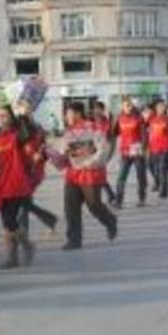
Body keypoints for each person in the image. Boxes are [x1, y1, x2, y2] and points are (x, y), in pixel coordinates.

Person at [57, 102, 117, 250]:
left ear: (78, 114)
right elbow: (63, 153)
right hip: (73, 174)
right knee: (70, 207)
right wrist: (58, 156)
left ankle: (110, 220)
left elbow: (104, 150)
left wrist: (90, 163)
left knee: (94, 205)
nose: (66, 117)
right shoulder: (68, 132)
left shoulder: (93, 128)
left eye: (69, 113)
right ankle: (74, 240)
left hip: (91, 173)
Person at [0, 105, 35, 269]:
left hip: (15, 184)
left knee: (9, 220)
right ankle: (13, 256)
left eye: (4, 116)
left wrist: (24, 116)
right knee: (6, 222)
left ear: (11, 118)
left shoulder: (16, 136)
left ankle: (26, 246)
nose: (0, 119)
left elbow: (28, 134)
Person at [16, 105, 59, 232]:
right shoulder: (17, 128)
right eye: (24, 111)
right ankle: (49, 219)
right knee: (24, 201)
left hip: (33, 170)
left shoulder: (37, 128)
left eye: (29, 110)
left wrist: (40, 154)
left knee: (23, 201)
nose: (27, 113)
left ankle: (23, 231)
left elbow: (44, 147)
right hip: (21, 169)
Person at [114, 98, 148, 208]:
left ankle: (141, 198)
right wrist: (113, 121)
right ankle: (119, 200)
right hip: (125, 151)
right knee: (121, 177)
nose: (128, 107)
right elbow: (114, 133)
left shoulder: (138, 118)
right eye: (125, 105)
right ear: (122, 107)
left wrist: (143, 147)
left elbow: (144, 134)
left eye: (129, 105)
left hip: (137, 150)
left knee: (141, 176)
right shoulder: (119, 118)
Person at [146, 99, 168, 200]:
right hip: (153, 148)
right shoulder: (151, 119)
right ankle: (157, 182)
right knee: (152, 167)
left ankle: (164, 190)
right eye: (159, 106)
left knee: (163, 170)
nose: (161, 108)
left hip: (165, 148)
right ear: (156, 108)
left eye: (163, 106)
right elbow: (148, 131)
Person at [91, 101, 117, 205]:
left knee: (98, 175)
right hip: (92, 153)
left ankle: (107, 195)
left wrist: (109, 154)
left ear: (103, 110)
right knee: (96, 175)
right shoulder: (91, 122)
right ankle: (110, 194)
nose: (97, 111)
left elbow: (112, 140)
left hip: (103, 153)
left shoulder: (107, 123)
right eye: (95, 109)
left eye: (99, 109)